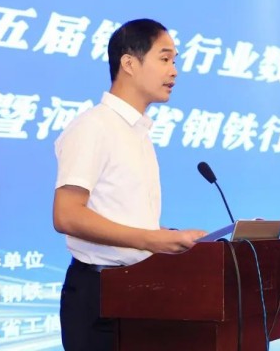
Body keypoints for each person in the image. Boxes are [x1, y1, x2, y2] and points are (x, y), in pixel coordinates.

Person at [52, 18, 206, 350]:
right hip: (99, 298)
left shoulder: (137, 132)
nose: (174, 71)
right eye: (164, 59)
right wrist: (151, 240)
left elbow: (118, 215)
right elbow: (66, 215)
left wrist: (167, 236)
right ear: (129, 63)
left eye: (175, 61)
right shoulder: (94, 127)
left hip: (136, 292)